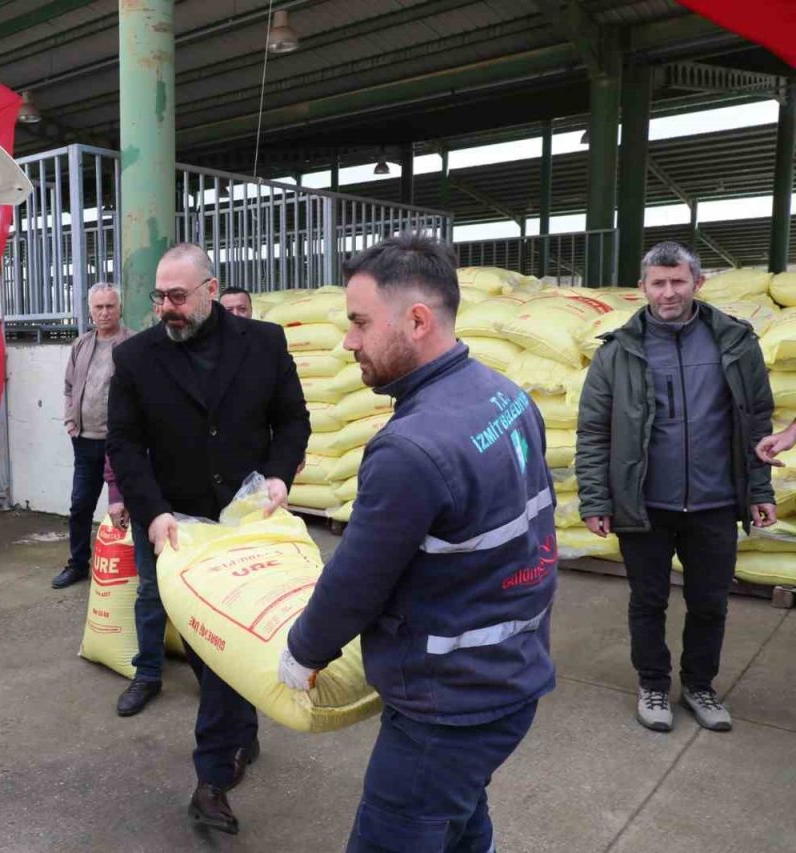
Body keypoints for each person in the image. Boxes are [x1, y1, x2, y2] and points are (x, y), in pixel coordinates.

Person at [278, 233, 556, 853]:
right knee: (459, 818)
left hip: (447, 706)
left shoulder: (411, 448)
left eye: (359, 323)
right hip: (510, 675)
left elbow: (356, 580)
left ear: (418, 321)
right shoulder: (506, 395)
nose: (348, 342)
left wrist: (303, 652)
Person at [108, 243, 309, 834]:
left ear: (211, 290)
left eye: (177, 296)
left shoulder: (263, 343)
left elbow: (292, 419)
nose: (166, 308)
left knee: (226, 643)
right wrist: (151, 513)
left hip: (246, 523)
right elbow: (124, 443)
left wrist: (278, 474)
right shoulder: (136, 357)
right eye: (159, 298)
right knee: (205, 649)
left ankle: (212, 778)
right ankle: (240, 730)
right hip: (176, 527)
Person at [576, 241, 776, 734]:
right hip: (644, 502)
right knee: (648, 602)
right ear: (642, 288)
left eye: (678, 282)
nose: (669, 292)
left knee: (710, 603)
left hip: (715, 501)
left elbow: (756, 424)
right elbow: (594, 432)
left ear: (697, 283)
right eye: (658, 283)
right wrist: (596, 499)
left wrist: (759, 490)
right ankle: (653, 684)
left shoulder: (735, 342)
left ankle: (700, 686)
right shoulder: (617, 352)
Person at [54, 282, 134, 589]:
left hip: (121, 443)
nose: (104, 312)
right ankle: (77, 564)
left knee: (128, 506)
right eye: (98, 307)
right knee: (80, 506)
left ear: (120, 308)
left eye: (110, 306)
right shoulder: (81, 344)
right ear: (90, 311)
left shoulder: (132, 344)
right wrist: (70, 422)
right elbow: (69, 387)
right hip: (85, 441)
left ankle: (132, 567)